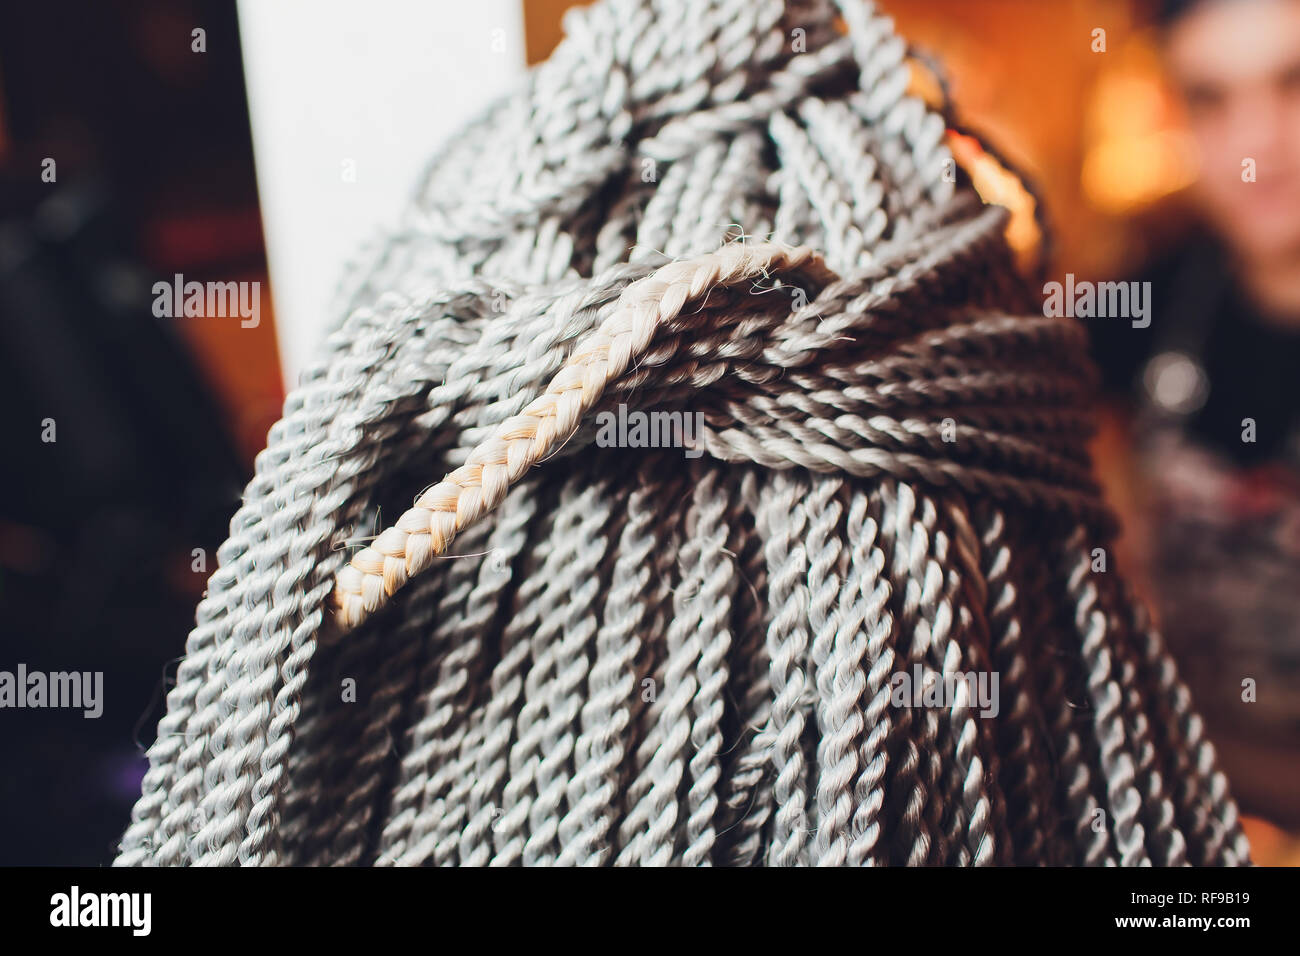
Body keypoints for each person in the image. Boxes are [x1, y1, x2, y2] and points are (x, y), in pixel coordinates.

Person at [1090, 0, 1300, 830]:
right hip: (1194, 810)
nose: (1258, 149)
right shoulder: (1145, 300)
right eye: (1210, 100)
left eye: (1294, 85)